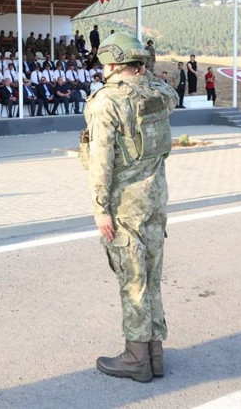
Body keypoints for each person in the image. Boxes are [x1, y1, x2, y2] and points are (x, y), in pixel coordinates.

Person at [83, 32, 177, 383]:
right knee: (151, 278)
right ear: (140, 65)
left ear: (110, 64)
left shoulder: (107, 101)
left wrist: (100, 209)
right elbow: (166, 91)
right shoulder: (159, 94)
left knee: (132, 281)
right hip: (155, 202)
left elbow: (100, 161)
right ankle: (155, 354)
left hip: (124, 206)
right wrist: (142, 70)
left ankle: (136, 358)